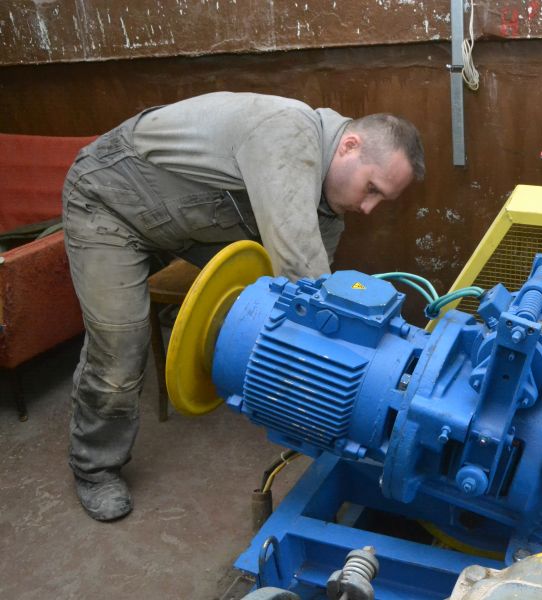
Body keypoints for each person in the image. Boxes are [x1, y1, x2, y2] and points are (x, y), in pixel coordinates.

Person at [62, 92, 425, 521]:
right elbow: (302, 274)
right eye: (371, 189)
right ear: (349, 146)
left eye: (381, 200)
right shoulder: (290, 131)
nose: (367, 208)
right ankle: (95, 468)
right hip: (112, 201)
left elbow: (309, 303)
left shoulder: (328, 208)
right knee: (121, 349)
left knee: (266, 302)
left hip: (188, 224)